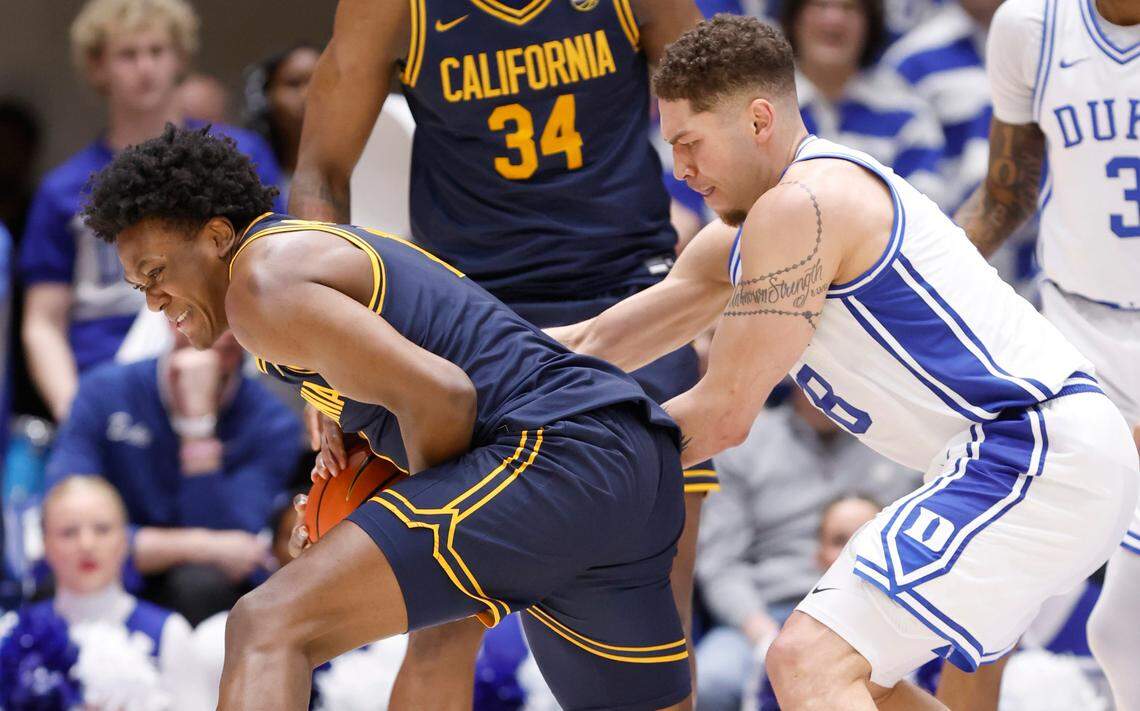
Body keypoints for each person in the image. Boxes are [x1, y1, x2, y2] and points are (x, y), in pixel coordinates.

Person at [551, 15, 1138, 708]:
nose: (679, 168)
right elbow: (592, 345)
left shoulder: (805, 206)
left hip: (1034, 450)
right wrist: (470, 367)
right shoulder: (750, 230)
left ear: (760, 119)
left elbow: (720, 417)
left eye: (689, 143)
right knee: (864, 682)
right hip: (1018, 457)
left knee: (806, 659)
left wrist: (543, 464)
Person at [82, 124, 694, 710]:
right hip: (628, 453)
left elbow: (444, 397)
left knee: (267, 624)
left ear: (218, 237)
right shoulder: (294, 263)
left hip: (550, 451)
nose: (154, 299)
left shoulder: (258, 286)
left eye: (157, 273)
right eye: (139, 286)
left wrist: (399, 506)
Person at [289, 0, 712, 701]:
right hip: (472, 320)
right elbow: (318, 176)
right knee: (445, 616)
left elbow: (724, 108)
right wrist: (323, 366)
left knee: (659, 610)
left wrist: (721, 275)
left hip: (629, 294)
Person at [950, 0, 1140, 708]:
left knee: (1123, 628)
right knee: (993, 582)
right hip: (1074, 336)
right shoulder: (1029, 26)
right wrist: (909, 278)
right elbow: (1005, 195)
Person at [19, 0, 280, 423]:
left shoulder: (236, 155)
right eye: (128, 54)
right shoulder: (61, 190)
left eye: (157, 51)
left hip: (232, 375)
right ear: (97, 67)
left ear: (180, 58)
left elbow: (275, 271)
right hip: (110, 386)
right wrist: (76, 415)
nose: (145, 67)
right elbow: (42, 323)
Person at [44, 327, 302, 624]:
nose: (213, 334)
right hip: (114, 565)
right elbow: (64, 520)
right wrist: (201, 546)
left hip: (199, 586)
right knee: (60, 575)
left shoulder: (272, 423)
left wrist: (198, 429)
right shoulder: (102, 392)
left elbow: (233, 544)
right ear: (172, 323)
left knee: (203, 585)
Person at [694, 389, 916, 711]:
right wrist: (762, 635)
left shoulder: (898, 444)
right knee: (713, 682)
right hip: (769, 612)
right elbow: (720, 562)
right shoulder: (742, 441)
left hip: (874, 616)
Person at [28, 475, 194, 707]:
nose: (86, 544)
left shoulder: (169, 632)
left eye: (102, 529)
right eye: (68, 532)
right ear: (45, 543)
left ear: (125, 539)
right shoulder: (15, 635)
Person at [781, 0, 948, 208]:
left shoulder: (907, 116)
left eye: (850, 8)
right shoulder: (764, 109)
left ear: (870, 23)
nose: (834, 19)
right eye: (820, 5)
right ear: (795, 18)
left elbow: (926, 214)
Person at [244, 44, 321, 194]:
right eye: (294, 83)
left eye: (320, 81)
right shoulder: (248, 164)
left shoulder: (362, 164)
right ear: (266, 97)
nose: (307, 94)